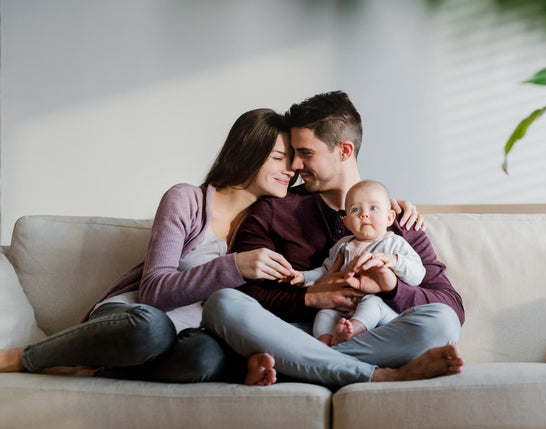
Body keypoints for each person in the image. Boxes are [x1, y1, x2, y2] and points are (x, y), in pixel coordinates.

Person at [0, 108, 299, 385]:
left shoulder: (265, 227)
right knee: (151, 329)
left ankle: (94, 370)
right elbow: (154, 292)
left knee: (204, 357)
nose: (291, 169)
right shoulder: (185, 199)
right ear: (248, 152)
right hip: (135, 318)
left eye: (294, 160)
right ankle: (25, 356)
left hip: (188, 336)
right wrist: (234, 266)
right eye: (278, 157)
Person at [202, 91, 465, 390]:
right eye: (293, 154)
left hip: (374, 334)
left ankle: (302, 365)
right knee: (221, 303)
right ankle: (376, 374)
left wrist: (392, 287)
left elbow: (452, 305)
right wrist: (308, 297)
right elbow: (241, 289)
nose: (295, 165)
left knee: (442, 322)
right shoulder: (275, 209)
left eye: (306, 153)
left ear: (344, 151)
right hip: (297, 331)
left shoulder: (396, 218)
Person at [286, 179, 426, 346]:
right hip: (342, 308)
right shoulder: (343, 245)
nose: (364, 214)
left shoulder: (394, 244)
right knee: (324, 313)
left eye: (373, 208)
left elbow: (418, 274)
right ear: (346, 222)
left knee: (373, 303)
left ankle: (353, 331)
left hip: (380, 311)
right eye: (355, 210)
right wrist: (302, 277)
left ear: (389, 218)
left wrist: (394, 260)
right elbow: (324, 271)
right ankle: (325, 343)